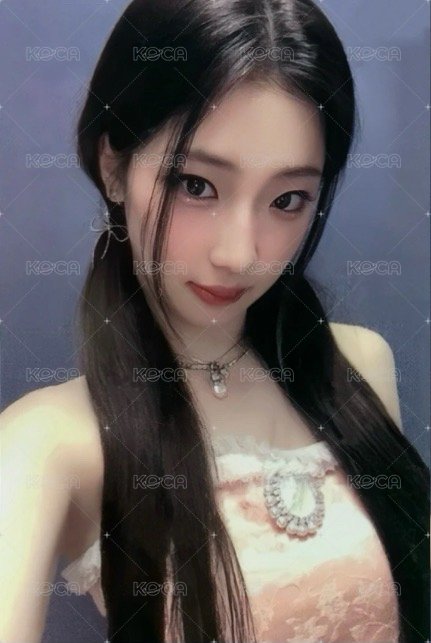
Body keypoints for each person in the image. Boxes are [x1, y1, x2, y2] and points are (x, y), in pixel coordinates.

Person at [1, 0, 429, 642]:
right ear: (114, 165)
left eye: (288, 199)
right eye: (196, 185)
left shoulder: (360, 365)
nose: (239, 254)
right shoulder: (52, 441)